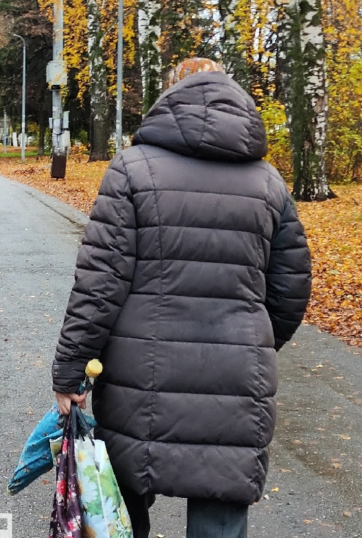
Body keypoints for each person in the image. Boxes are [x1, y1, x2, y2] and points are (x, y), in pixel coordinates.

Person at [51, 57, 311, 538]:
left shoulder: (132, 170)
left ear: (168, 98)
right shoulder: (268, 182)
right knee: (221, 509)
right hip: (237, 377)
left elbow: (100, 282)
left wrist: (71, 368)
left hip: (138, 373)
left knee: (122, 510)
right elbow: (290, 289)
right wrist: (251, 345)